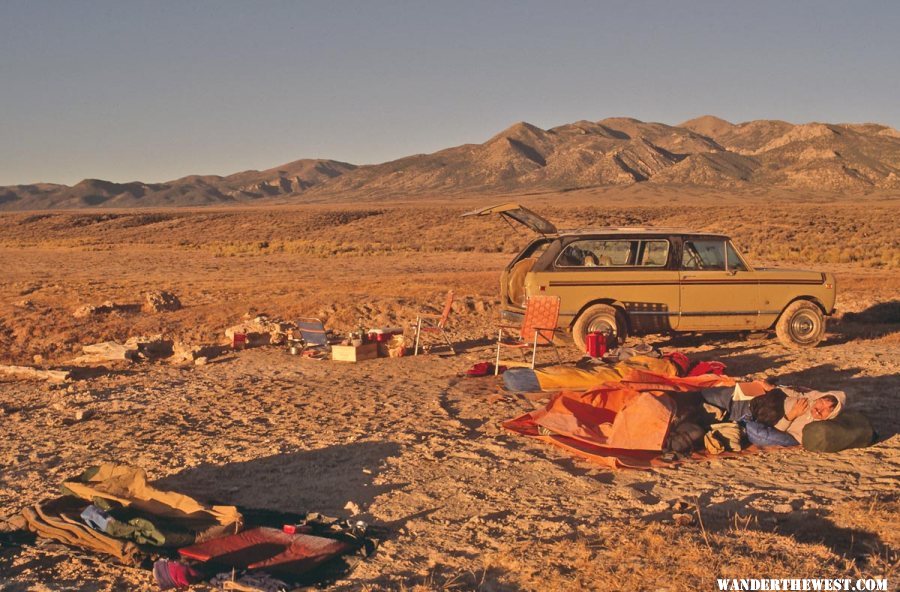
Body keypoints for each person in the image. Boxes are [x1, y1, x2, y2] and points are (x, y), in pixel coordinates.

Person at [700, 383, 845, 447]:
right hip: (755, 399)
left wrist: (791, 415)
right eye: (822, 402)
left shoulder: (810, 429)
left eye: (826, 410)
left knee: (702, 411)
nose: (819, 409)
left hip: (751, 414)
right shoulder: (811, 397)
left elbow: (778, 434)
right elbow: (791, 391)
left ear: (830, 416)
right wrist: (771, 387)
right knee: (705, 394)